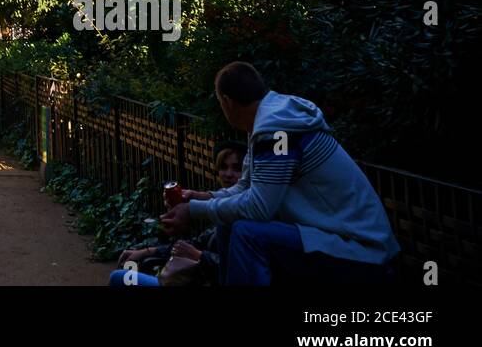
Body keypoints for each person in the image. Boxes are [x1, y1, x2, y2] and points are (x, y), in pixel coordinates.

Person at [160, 62, 399, 285]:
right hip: (335, 240)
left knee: (248, 233)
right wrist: (200, 197)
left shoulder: (275, 130)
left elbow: (259, 207)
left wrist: (191, 211)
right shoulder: (270, 121)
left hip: (361, 251)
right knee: (229, 224)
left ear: (227, 101)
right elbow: (245, 189)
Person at [107, 142, 245, 287]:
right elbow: (194, 244)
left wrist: (199, 256)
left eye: (237, 169)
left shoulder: (242, 214)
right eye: (223, 167)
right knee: (125, 275)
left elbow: (238, 270)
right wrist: (147, 251)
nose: (228, 174)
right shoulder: (221, 208)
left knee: (120, 278)